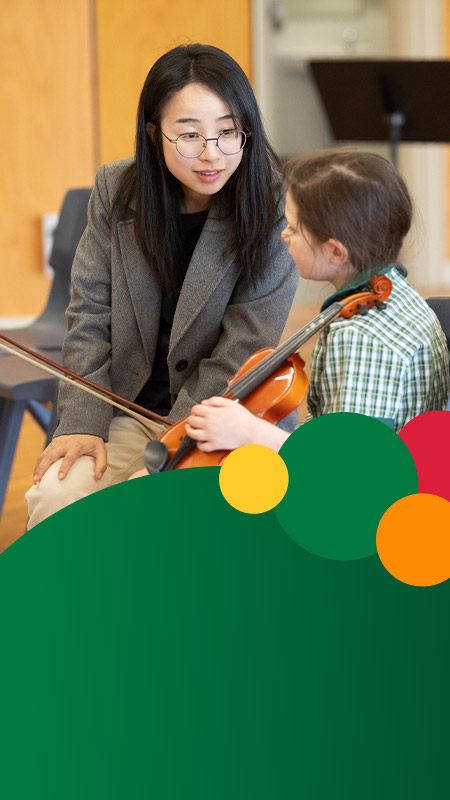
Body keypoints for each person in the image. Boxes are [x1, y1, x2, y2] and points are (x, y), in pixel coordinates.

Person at [25, 43, 298, 527]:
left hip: (224, 417)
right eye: (189, 135)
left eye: (228, 132)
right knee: (55, 499)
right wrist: (83, 423)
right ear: (154, 134)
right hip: (127, 408)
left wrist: (171, 447)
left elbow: (244, 351)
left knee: (151, 519)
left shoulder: (275, 204)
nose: (211, 154)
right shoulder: (115, 188)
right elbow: (88, 316)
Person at [183, 148, 450, 453]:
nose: (284, 235)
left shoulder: (358, 339)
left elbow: (343, 464)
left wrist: (250, 431)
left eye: (293, 228)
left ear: (336, 252)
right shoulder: (398, 290)